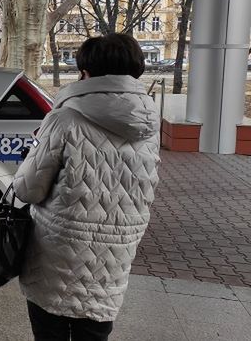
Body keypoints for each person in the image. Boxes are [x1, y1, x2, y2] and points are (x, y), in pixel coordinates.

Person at [13, 33, 161, 341]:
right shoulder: (148, 122)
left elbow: (28, 190)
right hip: (113, 260)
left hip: (56, 259)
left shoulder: (65, 117)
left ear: (86, 72)